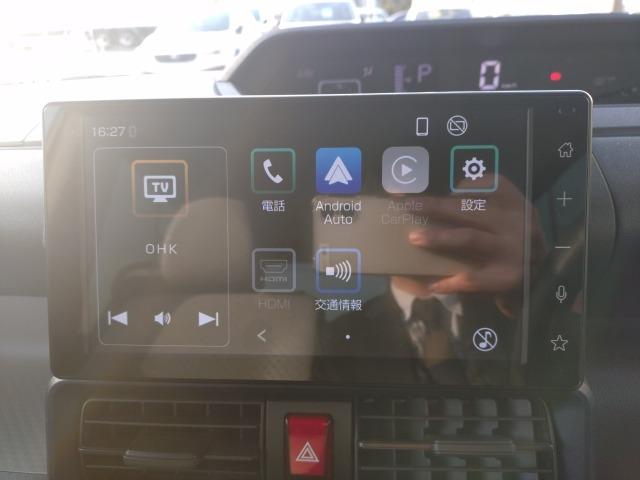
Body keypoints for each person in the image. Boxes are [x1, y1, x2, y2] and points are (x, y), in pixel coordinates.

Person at [315, 177, 545, 385]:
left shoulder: (513, 302)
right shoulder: (339, 335)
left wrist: (538, 285)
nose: (406, 225)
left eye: (416, 208)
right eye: (391, 212)